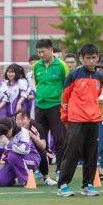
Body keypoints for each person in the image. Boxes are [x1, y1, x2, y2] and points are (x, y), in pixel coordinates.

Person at [57, 44, 103, 197]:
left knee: (91, 153)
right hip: (76, 120)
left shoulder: (99, 77)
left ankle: (88, 185)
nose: (91, 61)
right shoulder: (74, 75)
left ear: (97, 58)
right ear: (82, 59)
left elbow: (96, 97)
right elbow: (65, 97)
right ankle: (63, 184)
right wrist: (65, 117)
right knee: (71, 152)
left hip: (93, 120)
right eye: (88, 58)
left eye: (94, 58)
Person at [32, 39, 68, 177]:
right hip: (40, 106)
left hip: (56, 106)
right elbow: (37, 84)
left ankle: (60, 170)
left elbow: (66, 86)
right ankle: (41, 170)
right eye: (39, 52)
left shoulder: (61, 66)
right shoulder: (36, 67)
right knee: (39, 139)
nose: (41, 55)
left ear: (51, 50)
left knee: (60, 139)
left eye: (43, 52)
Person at [0, 116, 40, 187]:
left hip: (32, 160)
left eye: (5, 133)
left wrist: (9, 143)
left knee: (12, 156)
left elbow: (25, 149)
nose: (4, 136)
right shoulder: (0, 137)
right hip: (12, 162)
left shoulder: (23, 132)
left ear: (11, 129)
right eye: (1, 134)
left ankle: (26, 180)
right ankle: (14, 178)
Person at [15, 109, 55, 185]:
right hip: (22, 154)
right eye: (17, 119)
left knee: (43, 154)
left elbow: (43, 146)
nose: (20, 122)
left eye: (23, 119)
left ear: (29, 119)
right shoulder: (14, 128)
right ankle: (18, 177)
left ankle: (46, 177)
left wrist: (32, 136)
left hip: (36, 154)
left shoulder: (36, 127)